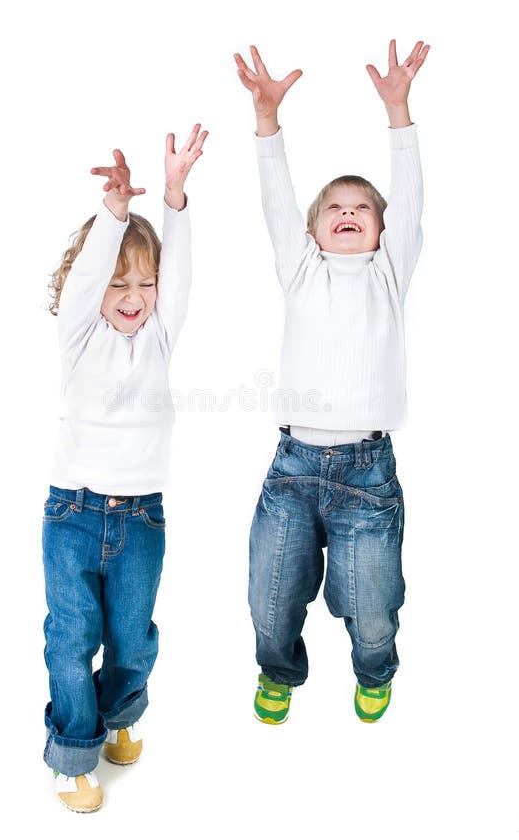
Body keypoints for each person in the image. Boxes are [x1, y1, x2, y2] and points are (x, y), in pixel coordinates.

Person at [234, 40, 428, 725]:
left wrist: (397, 111)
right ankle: (278, 671)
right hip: (290, 466)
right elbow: (275, 198)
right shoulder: (301, 268)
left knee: (370, 603)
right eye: (333, 209)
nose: (348, 213)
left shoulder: (386, 273)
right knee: (270, 596)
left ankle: (375, 670)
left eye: (362, 209)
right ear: (313, 231)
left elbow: (407, 197)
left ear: (381, 230)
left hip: (365, 473)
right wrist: (266, 120)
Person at [42, 124, 208, 812]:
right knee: (71, 637)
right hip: (72, 514)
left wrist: (174, 195)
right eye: (119, 281)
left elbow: (182, 271)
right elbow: (88, 280)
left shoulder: (161, 337)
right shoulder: (80, 336)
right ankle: (75, 751)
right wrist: (114, 217)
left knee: (133, 639)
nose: (133, 293)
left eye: (145, 280)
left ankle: (120, 713)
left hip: (141, 517)